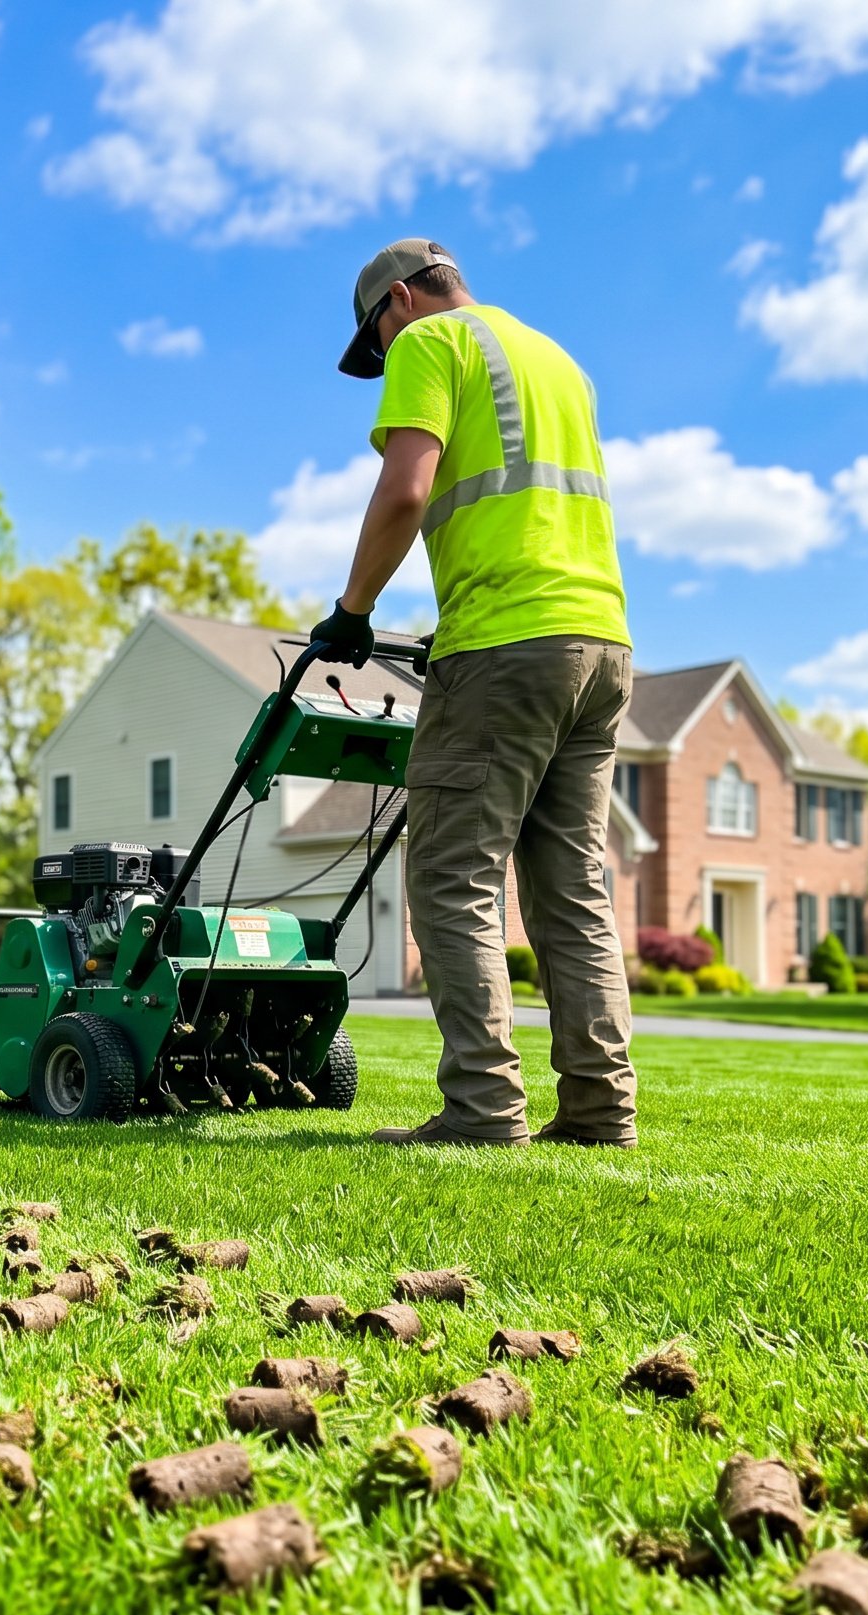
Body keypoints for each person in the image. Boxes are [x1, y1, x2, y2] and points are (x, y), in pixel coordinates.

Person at [310, 238, 636, 1147]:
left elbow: (407, 489)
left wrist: (353, 608)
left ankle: (484, 1108)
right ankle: (601, 1111)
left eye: (376, 339)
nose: (382, 357)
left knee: (451, 876)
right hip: (600, 642)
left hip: (504, 641)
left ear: (402, 300)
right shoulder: (555, 360)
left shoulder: (430, 344)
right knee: (572, 891)